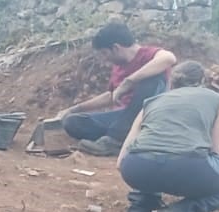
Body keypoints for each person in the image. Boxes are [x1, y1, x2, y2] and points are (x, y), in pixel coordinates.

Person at [118, 61, 219, 212]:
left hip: (135, 168)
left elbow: (123, 157)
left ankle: (139, 211)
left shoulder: (152, 101)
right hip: (189, 168)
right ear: (202, 81)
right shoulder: (215, 99)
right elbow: (214, 150)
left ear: (171, 83)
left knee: (154, 153)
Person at [57, 22, 176, 157]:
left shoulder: (148, 54)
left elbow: (169, 58)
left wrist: (129, 82)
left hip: (148, 117)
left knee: (152, 79)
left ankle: (116, 140)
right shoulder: (118, 66)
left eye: (104, 53)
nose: (104, 59)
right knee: (73, 122)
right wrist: (74, 109)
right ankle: (127, 139)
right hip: (122, 118)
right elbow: (112, 96)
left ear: (116, 48)